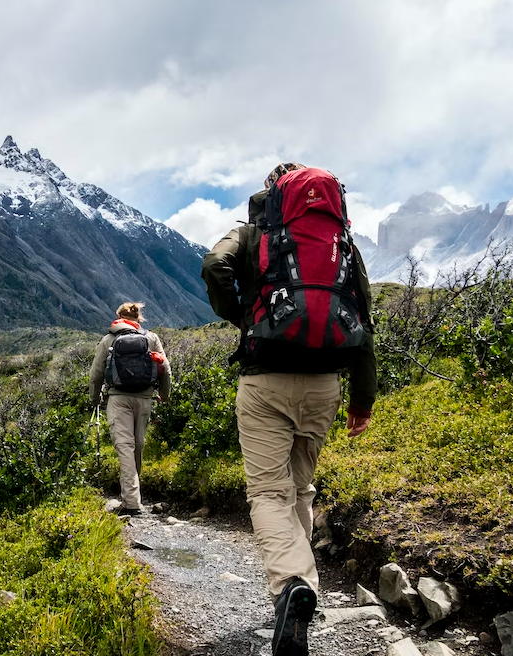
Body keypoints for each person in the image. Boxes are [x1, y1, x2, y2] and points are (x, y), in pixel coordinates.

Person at [201, 163, 377, 656]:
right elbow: (362, 318)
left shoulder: (254, 233)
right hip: (326, 385)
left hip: (266, 381)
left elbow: (214, 265)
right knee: (301, 486)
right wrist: (362, 399)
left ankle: (291, 587)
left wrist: (241, 314)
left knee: (268, 493)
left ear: (273, 194)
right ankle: (303, 591)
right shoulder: (341, 244)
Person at [89, 302, 172, 516]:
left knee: (124, 447)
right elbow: (165, 368)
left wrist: (95, 398)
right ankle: (133, 495)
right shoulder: (151, 338)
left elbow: (96, 373)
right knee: (138, 445)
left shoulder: (108, 339)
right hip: (145, 398)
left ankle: (132, 502)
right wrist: (164, 394)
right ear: (138, 318)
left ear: (118, 317)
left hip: (118, 399)